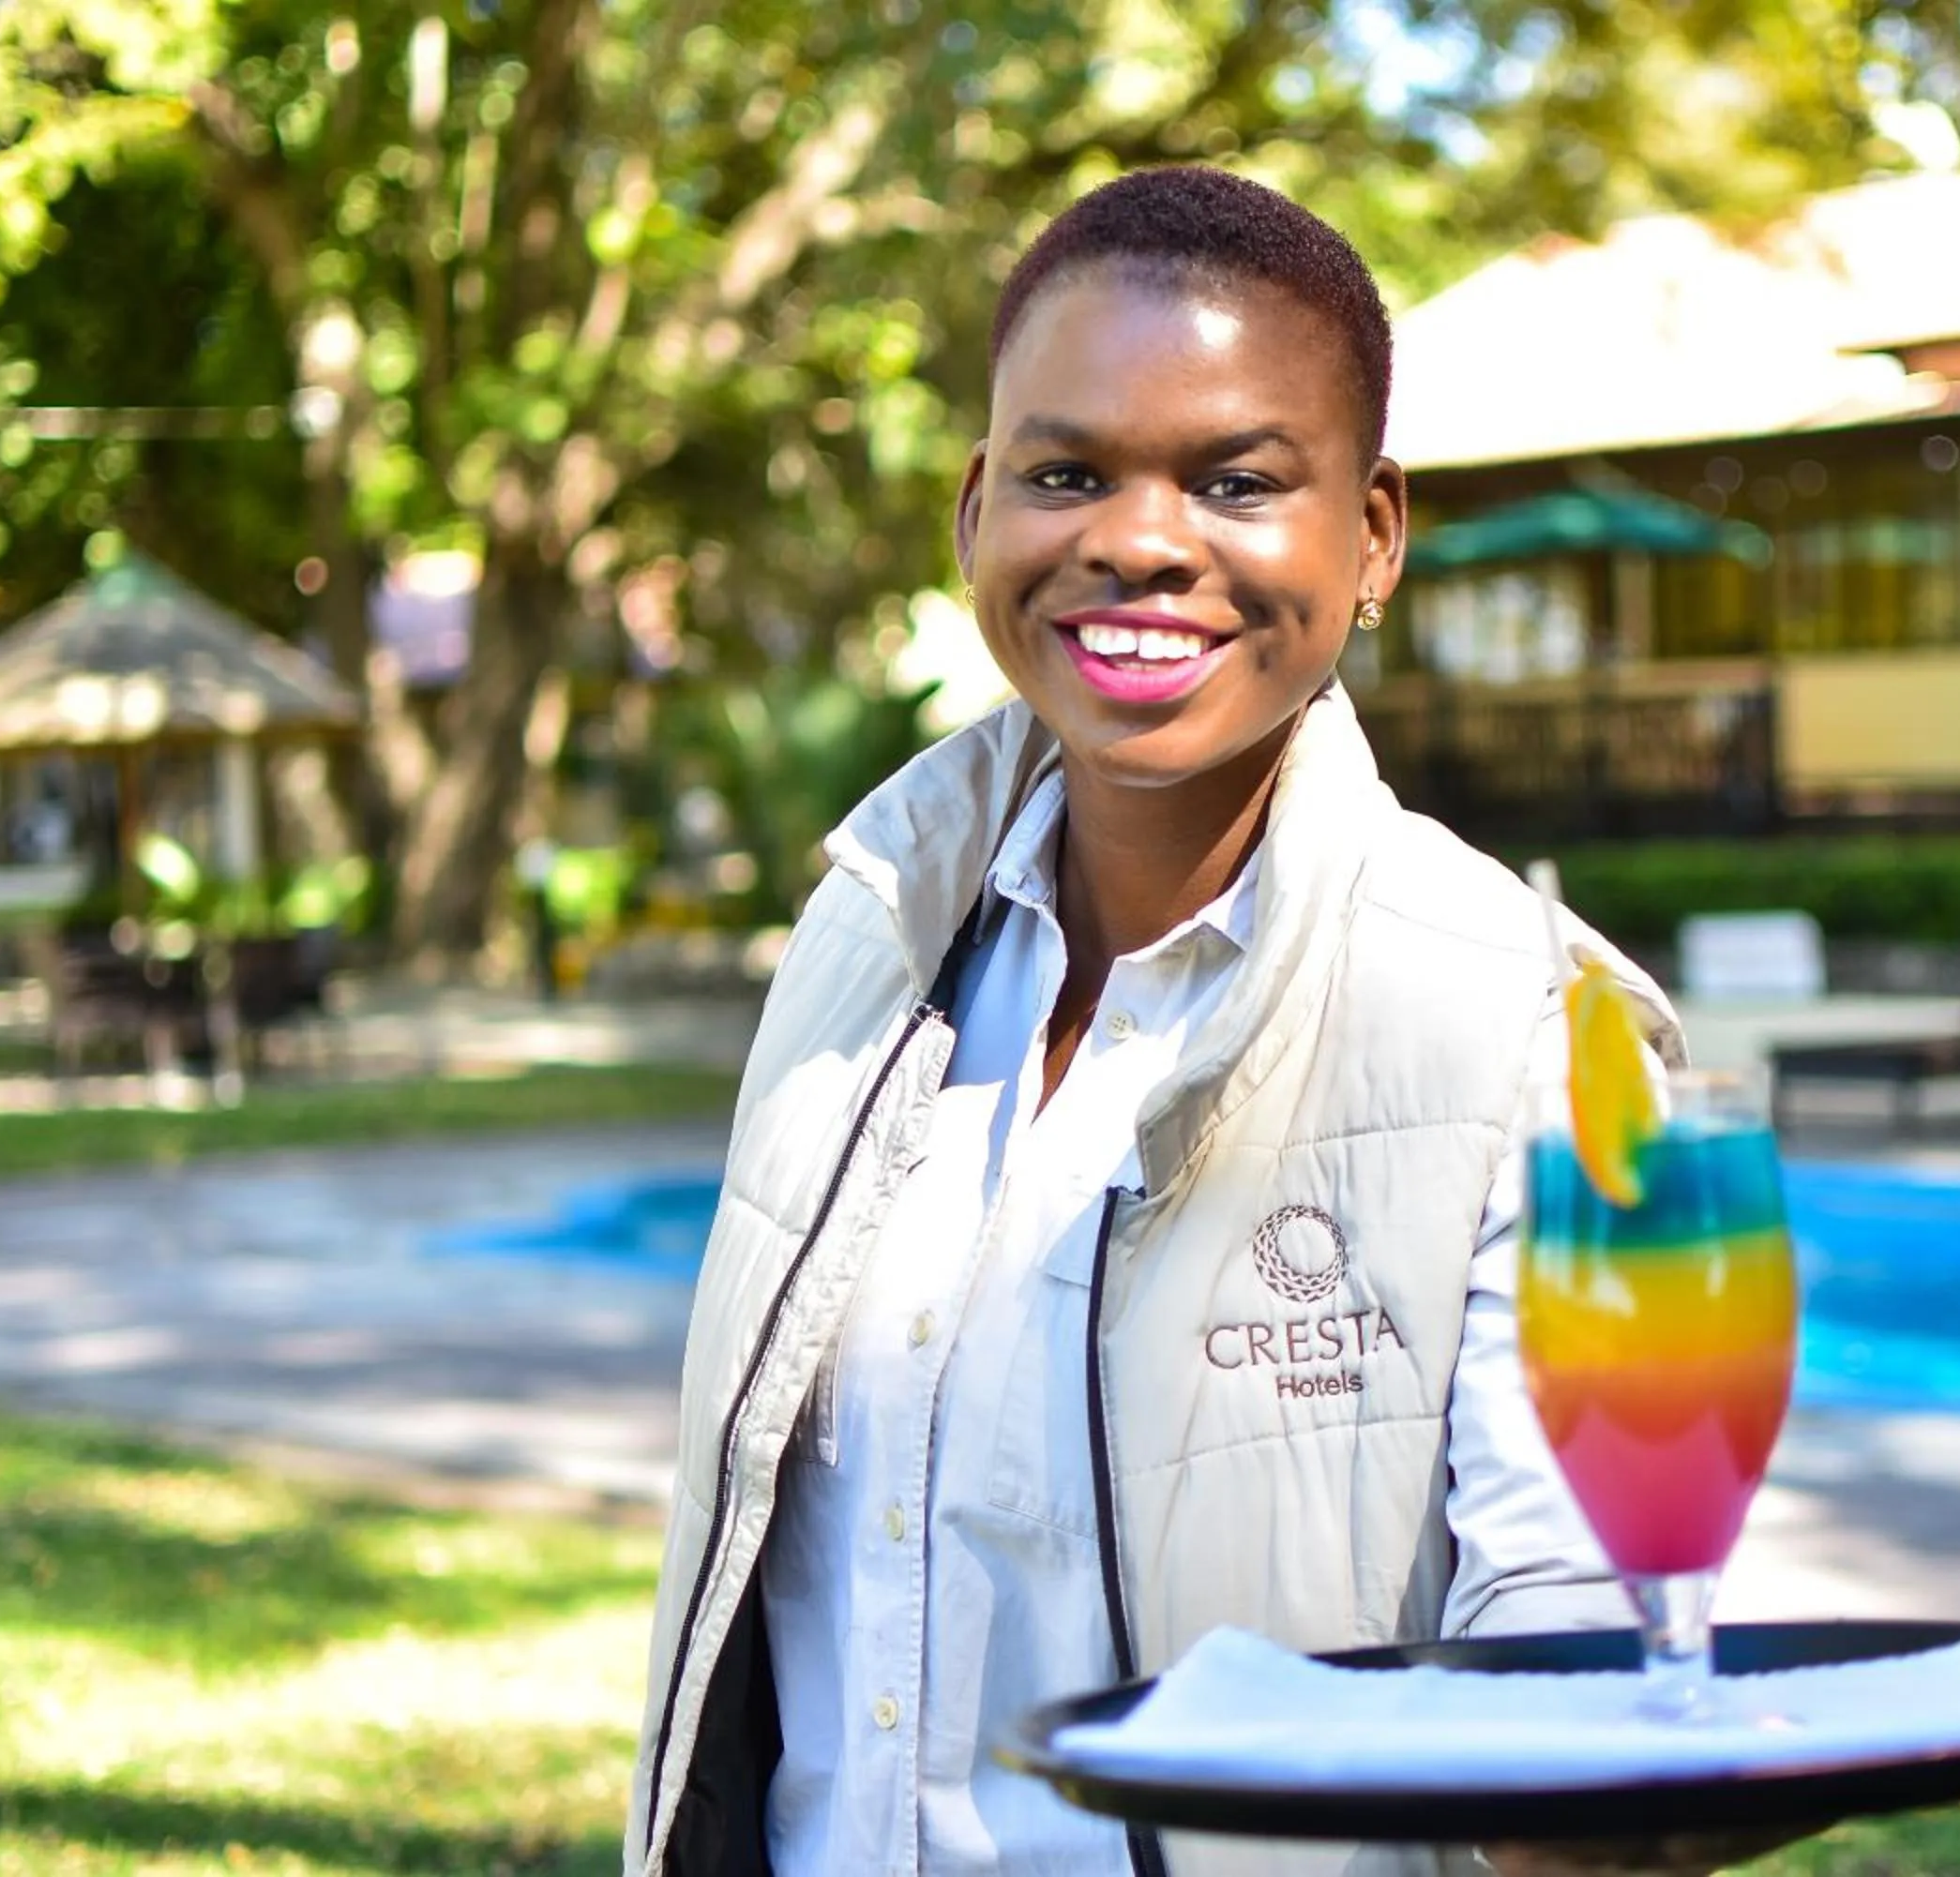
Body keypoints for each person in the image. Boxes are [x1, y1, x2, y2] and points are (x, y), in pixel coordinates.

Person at [626, 166, 1681, 1877]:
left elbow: (1575, 1658)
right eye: (1066, 473)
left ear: (1374, 536)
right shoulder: (867, 932)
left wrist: (1640, 1776)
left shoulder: (1528, 1030)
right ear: (976, 511)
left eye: (1239, 480)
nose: (1135, 538)